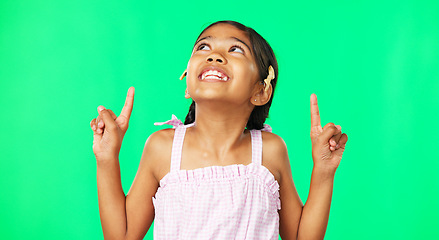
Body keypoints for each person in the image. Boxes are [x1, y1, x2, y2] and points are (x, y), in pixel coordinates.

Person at [90, 20, 348, 240]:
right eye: (203, 47)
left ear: (261, 91)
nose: (214, 55)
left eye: (236, 49)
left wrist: (324, 170)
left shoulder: (270, 150)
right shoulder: (162, 148)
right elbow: (122, 235)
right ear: (188, 86)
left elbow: (301, 236)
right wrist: (107, 158)